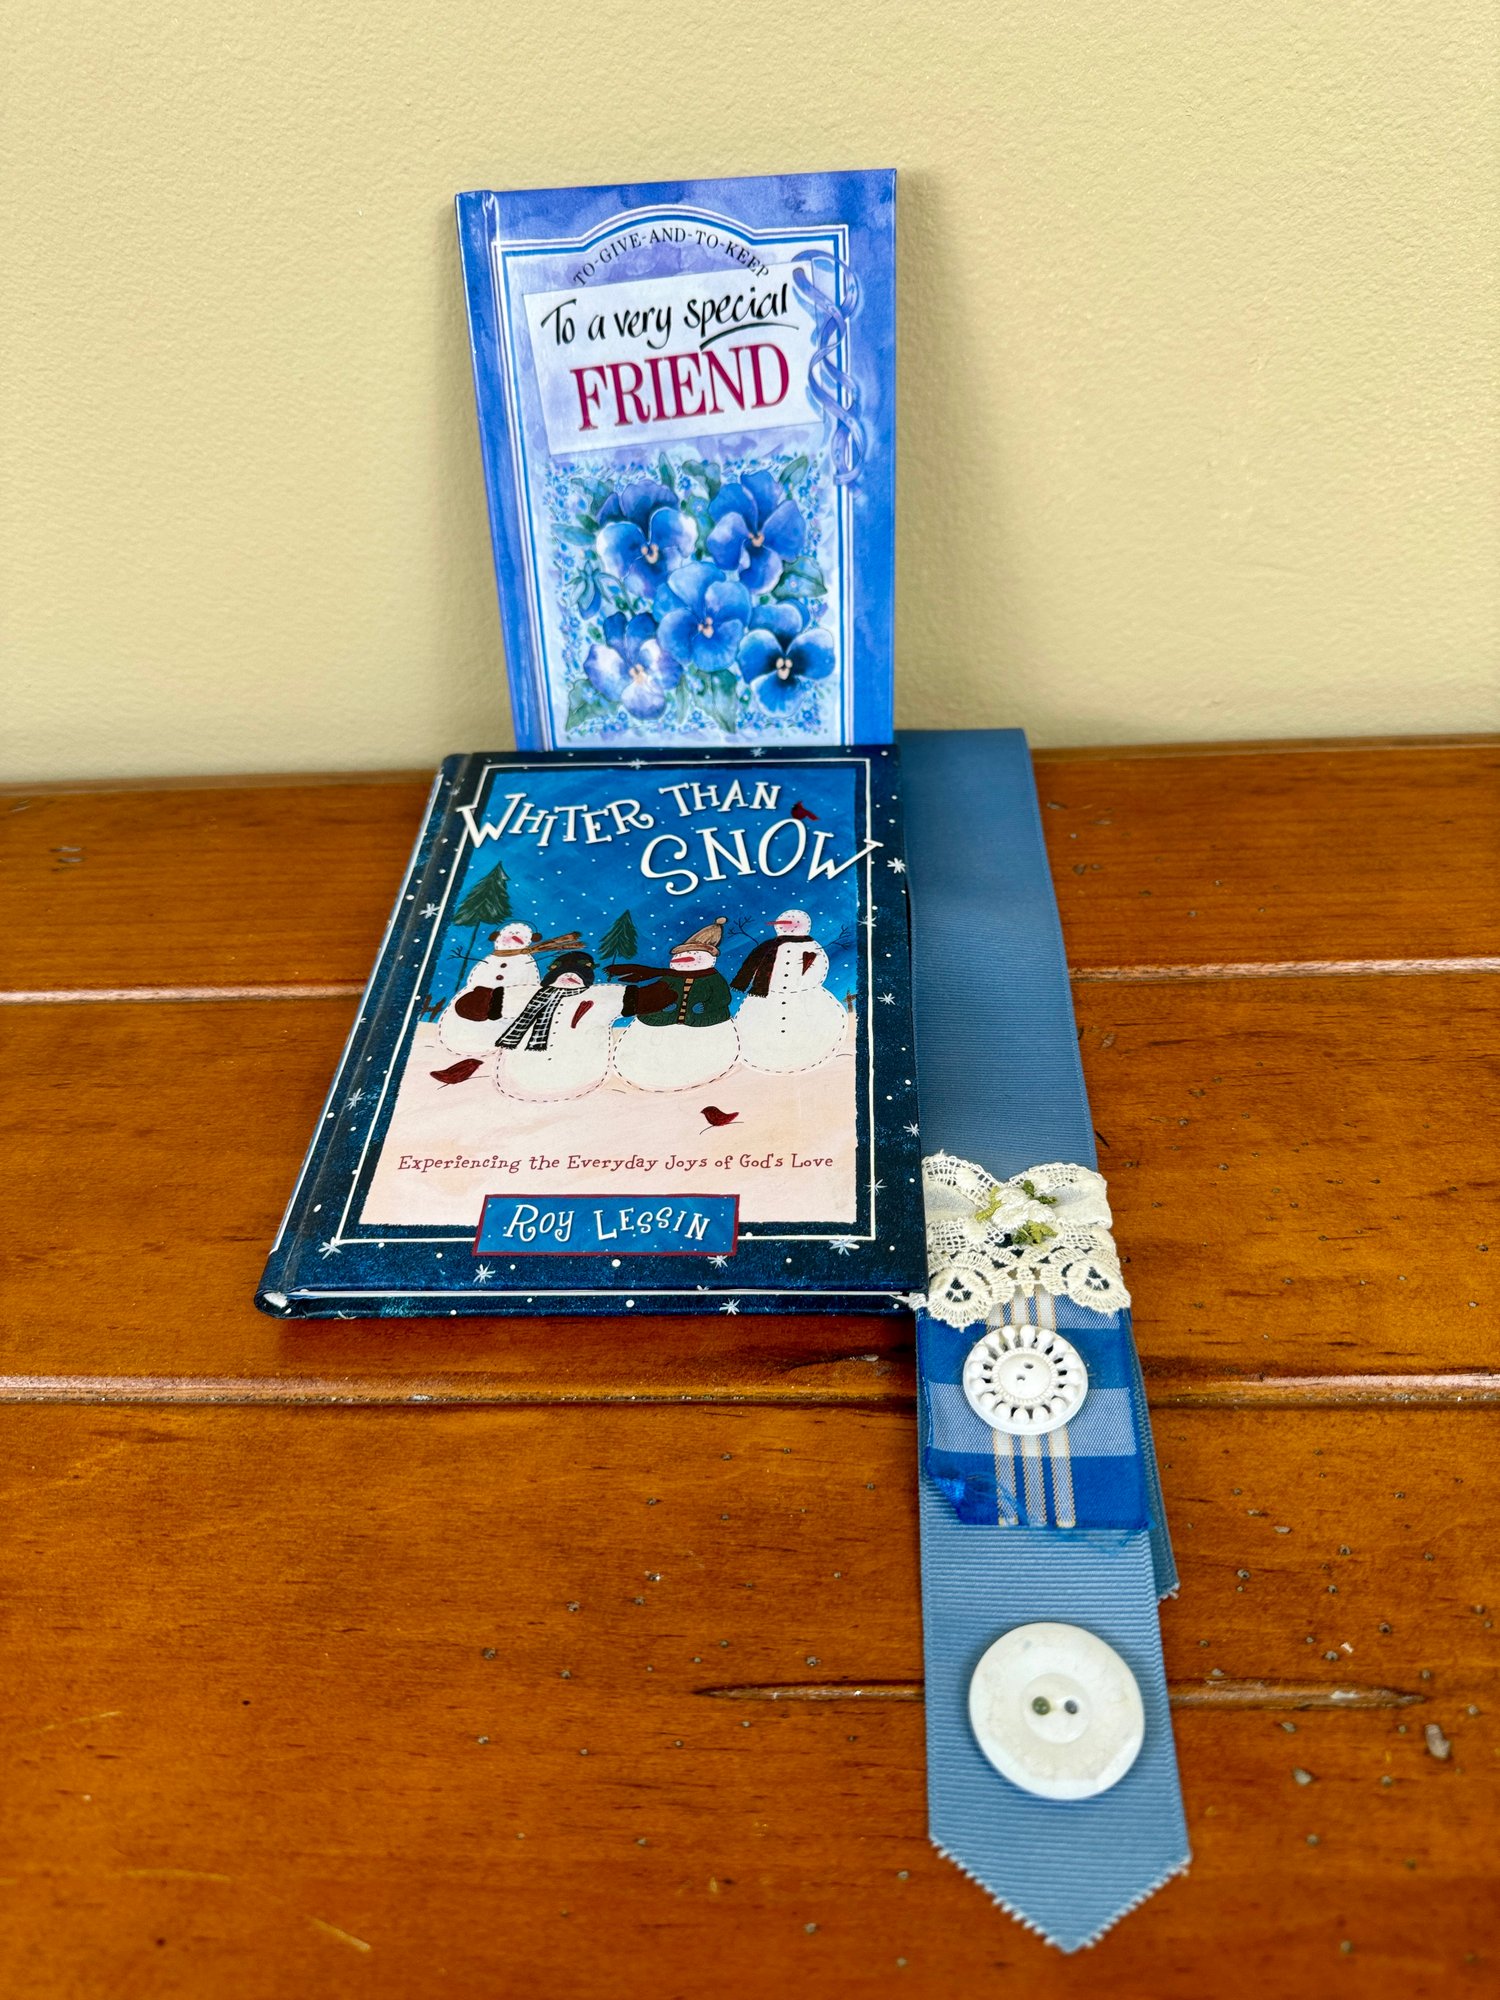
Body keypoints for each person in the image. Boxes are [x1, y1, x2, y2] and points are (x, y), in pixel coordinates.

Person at [608, 918, 739, 1092]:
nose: (681, 959)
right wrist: (660, 1004)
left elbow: (722, 998)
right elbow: (658, 990)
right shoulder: (671, 976)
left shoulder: (713, 979)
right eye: (679, 955)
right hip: (665, 1021)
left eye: (689, 955)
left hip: (702, 1023)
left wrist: (706, 1007)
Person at [730, 908, 848, 1072]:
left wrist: (804, 983)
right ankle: (765, 1058)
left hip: (804, 996)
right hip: (767, 996)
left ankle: (810, 1056)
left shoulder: (811, 947)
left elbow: (818, 968)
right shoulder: (769, 947)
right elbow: (754, 966)